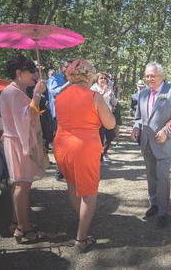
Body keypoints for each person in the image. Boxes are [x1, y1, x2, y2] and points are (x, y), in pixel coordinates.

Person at [53, 60, 115, 252]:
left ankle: (82, 220)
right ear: (88, 76)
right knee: (89, 192)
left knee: (72, 184)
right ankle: (81, 239)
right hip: (83, 147)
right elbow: (111, 124)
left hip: (62, 144)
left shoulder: (60, 96)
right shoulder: (94, 96)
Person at [130, 62, 171, 228]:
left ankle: (163, 212)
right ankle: (153, 204)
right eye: (147, 76)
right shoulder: (142, 94)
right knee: (151, 175)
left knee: (162, 176)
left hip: (165, 143)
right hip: (146, 142)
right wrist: (135, 128)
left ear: (161, 76)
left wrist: (166, 132)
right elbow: (138, 118)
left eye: (153, 76)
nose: (150, 79)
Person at [0, 55, 47, 243]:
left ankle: (17, 221)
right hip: (19, 142)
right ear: (19, 73)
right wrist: (37, 93)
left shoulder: (16, 91)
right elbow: (26, 117)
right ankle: (23, 227)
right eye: (31, 71)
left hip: (18, 140)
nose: (35, 75)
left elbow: (27, 114)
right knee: (22, 184)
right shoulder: (12, 92)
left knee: (20, 184)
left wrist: (35, 93)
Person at [47, 59, 70, 180]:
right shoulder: (54, 79)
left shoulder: (72, 79)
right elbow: (54, 92)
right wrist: (68, 84)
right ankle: (59, 171)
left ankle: (67, 169)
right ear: (62, 67)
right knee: (60, 145)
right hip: (58, 116)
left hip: (71, 115)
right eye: (68, 66)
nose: (71, 69)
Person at [91, 72, 117, 161]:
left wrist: (111, 96)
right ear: (97, 80)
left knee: (110, 136)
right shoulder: (93, 88)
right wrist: (103, 92)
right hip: (97, 116)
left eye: (105, 78)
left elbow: (114, 103)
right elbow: (94, 101)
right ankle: (99, 157)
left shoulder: (109, 88)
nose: (103, 80)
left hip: (108, 116)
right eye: (101, 78)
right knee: (100, 137)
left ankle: (103, 152)